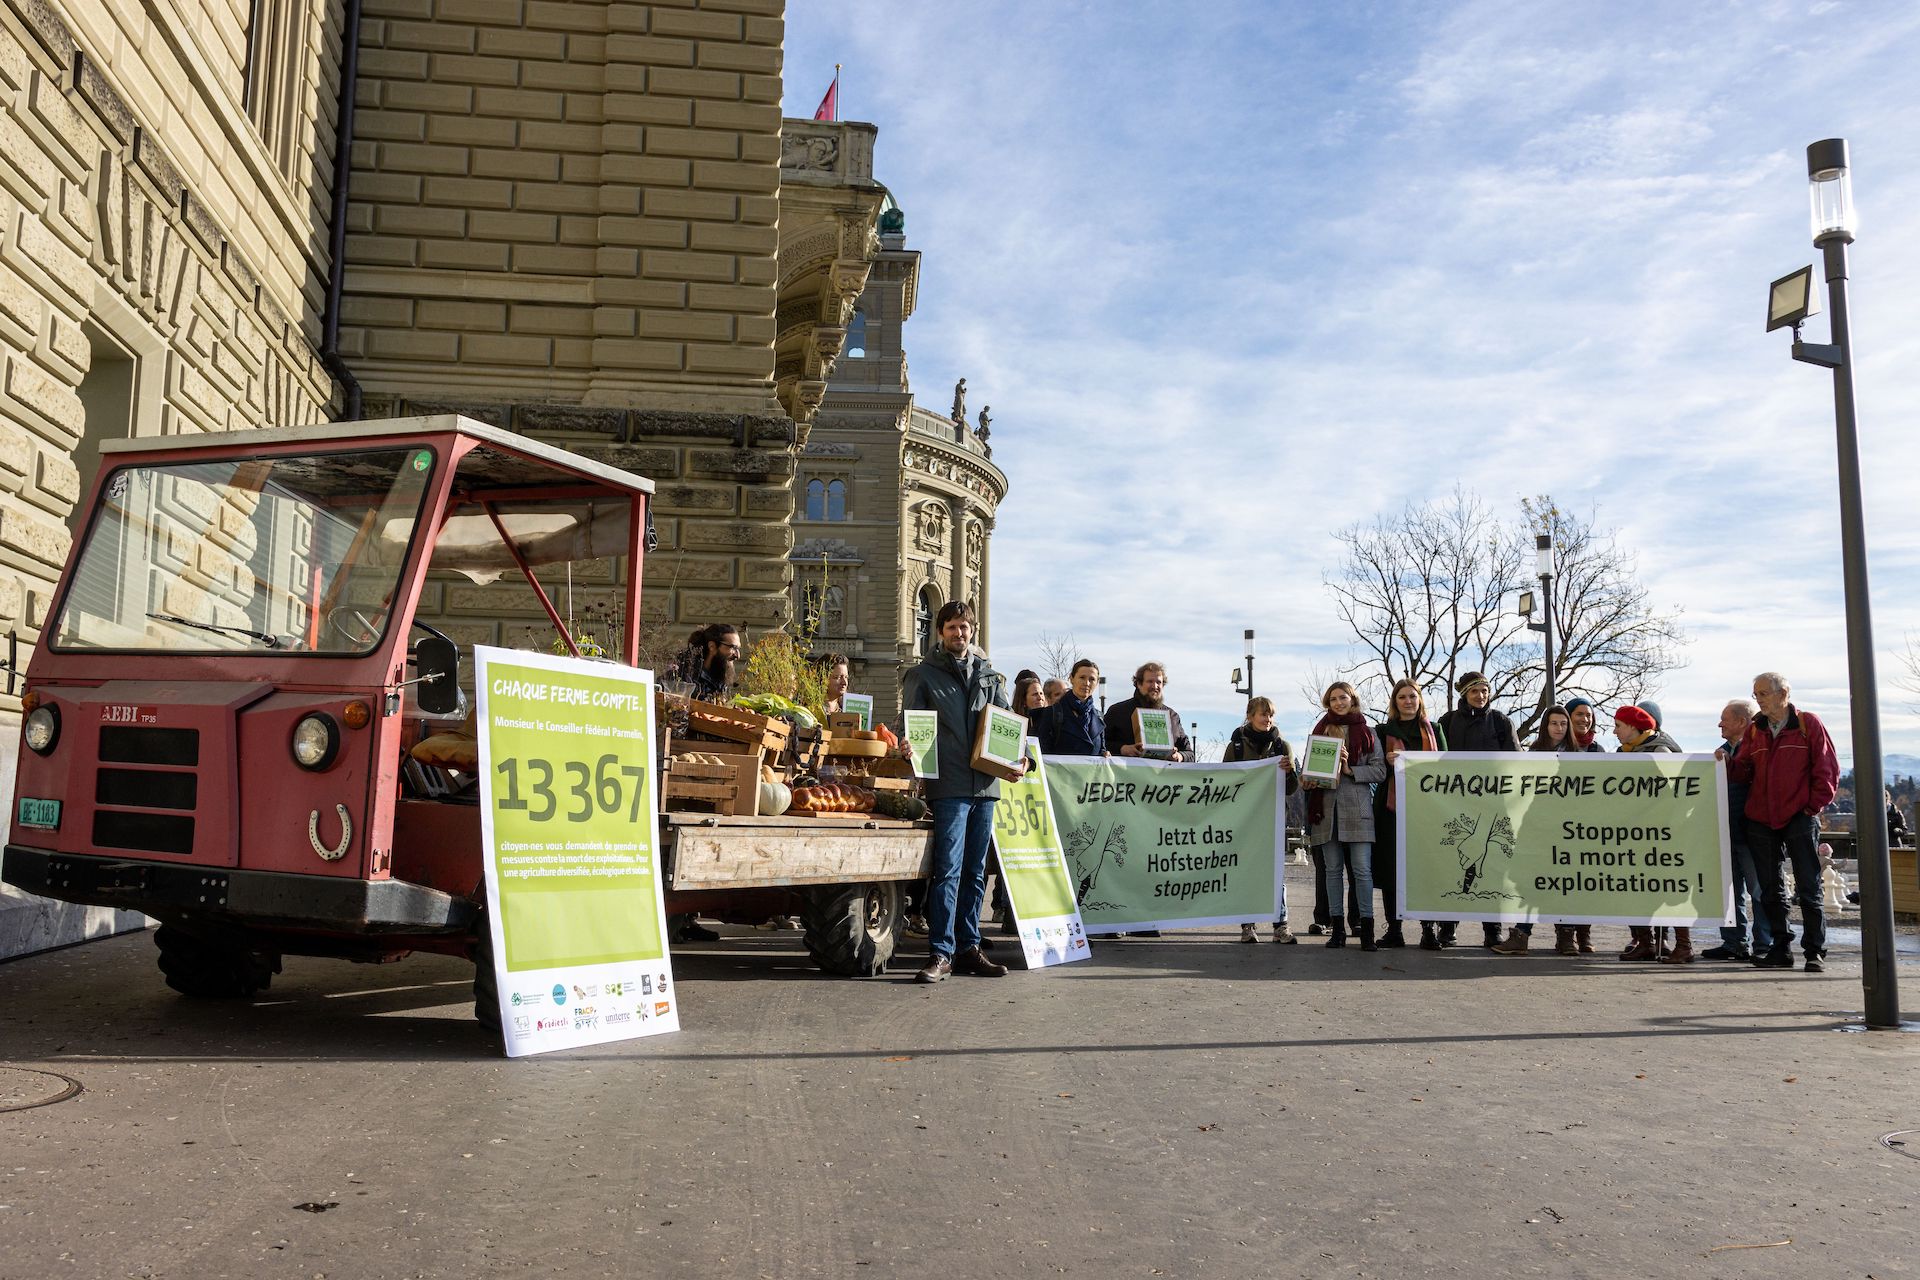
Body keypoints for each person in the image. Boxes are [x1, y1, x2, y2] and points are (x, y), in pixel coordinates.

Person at [900, 601, 1022, 983]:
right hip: (949, 784)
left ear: (973, 631)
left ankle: (969, 948)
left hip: (985, 785)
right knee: (948, 871)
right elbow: (911, 722)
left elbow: (1007, 725)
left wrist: (1022, 760)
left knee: (975, 873)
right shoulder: (922, 675)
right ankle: (941, 952)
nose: (959, 633)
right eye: (952, 627)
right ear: (941, 632)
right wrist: (908, 743)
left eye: (965, 627)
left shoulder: (990, 677)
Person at [1723, 672, 1840, 974]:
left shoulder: (1807, 724)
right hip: (1761, 818)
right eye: (1756, 694)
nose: (1758, 699)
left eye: (1763, 693)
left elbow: (1827, 769)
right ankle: (1781, 948)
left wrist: (1811, 807)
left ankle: (1814, 951)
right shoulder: (1755, 730)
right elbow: (1744, 771)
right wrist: (1729, 765)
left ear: (1783, 693)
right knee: (1771, 890)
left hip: (1799, 816)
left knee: (1809, 886)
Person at [1435, 671, 1519, 948]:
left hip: (1492, 807)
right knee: (1452, 866)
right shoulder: (1447, 722)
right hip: (1455, 806)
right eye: (1475, 691)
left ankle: (1492, 929)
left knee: (1491, 868)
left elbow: (1516, 761)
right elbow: (1436, 761)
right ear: (1464, 694)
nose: (1481, 696)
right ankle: (1448, 926)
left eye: (1485, 691)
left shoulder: (1501, 722)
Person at [1305, 682, 1388, 951]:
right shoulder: (1320, 733)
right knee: (1332, 872)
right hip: (1326, 811)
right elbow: (1308, 772)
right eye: (1333, 699)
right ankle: (1337, 929)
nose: (1339, 702)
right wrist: (1308, 780)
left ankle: (1367, 930)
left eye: (1343, 697)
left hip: (1358, 811)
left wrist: (1350, 769)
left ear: (1352, 700)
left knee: (1362, 871)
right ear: (1327, 703)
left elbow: (1380, 771)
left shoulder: (1369, 733)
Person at [1492, 705, 1575, 955]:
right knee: (1531, 882)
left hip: (1568, 830)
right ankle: (1521, 936)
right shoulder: (1533, 754)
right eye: (1554, 723)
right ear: (1545, 726)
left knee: (1565, 884)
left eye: (1563, 723)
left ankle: (1566, 937)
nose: (1559, 728)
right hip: (1536, 827)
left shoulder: (1578, 755)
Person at [1613, 703, 1689, 962]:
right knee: (1636, 887)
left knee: (1670, 887)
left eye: (1618, 726)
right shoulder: (1624, 753)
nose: (1614, 731)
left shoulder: (1660, 751)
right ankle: (1646, 942)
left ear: (1633, 727)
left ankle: (1684, 945)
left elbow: (1676, 793)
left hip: (1662, 834)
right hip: (1635, 833)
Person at [1375, 678, 1444, 949]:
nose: (1408, 701)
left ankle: (1428, 930)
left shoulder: (1435, 729)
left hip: (1427, 812)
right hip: (1391, 810)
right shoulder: (1382, 732)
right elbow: (1375, 770)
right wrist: (1386, 762)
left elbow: (1447, 768)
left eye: (1412, 696)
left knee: (1426, 870)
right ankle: (1395, 930)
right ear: (1395, 702)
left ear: (1419, 700)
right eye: (1402, 697)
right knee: (1392, 870)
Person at [1701, 699, 1771, 962]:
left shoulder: (1758, 750)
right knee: (1728, 893)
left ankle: (1764, 944)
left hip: (1751, 834)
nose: (1720, 724)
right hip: (1725, 834)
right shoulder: (1721, 754)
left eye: (1725, 719)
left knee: (1760, 891)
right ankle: (1734, 943)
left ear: (1742, 722)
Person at [1226, 696, 1299, 944]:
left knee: (1276, 873)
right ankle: (1248, 925)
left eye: (1270, 715)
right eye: (1262, 714)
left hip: (1273, 818)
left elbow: (1292, 789)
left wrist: (1289, 772)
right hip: (1245, 820)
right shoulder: (1235, 747)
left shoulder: (1282, 746)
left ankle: (1281, 925)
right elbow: (1224, 782)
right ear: (1250, 716)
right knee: (1247, 871)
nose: (1267, 719)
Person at [1104, 662, 1192, 761]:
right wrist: (1122, 749)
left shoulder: (1172, 716)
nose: (1155, 686)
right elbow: (1100, 745)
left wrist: (1179, 756)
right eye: (1150, 681)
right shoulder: (1117, 712)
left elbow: (1189, 753)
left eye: (1159, 682)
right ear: (1139, 684)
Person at [1037, 660, 1105, 757]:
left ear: (1097, 683)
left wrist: (1104, 754)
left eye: (1092, 679)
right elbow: (1043, 754)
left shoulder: (1099, 717)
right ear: (1071, 679)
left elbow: (1101, 749)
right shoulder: (1052, 713)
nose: (1087, 683)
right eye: (1082, 677)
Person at [689, 623, 741, 703]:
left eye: (738, 648)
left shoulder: (720, 676)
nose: (737, 655)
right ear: (712, 646)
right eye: (733, 647)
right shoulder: (686, 676)